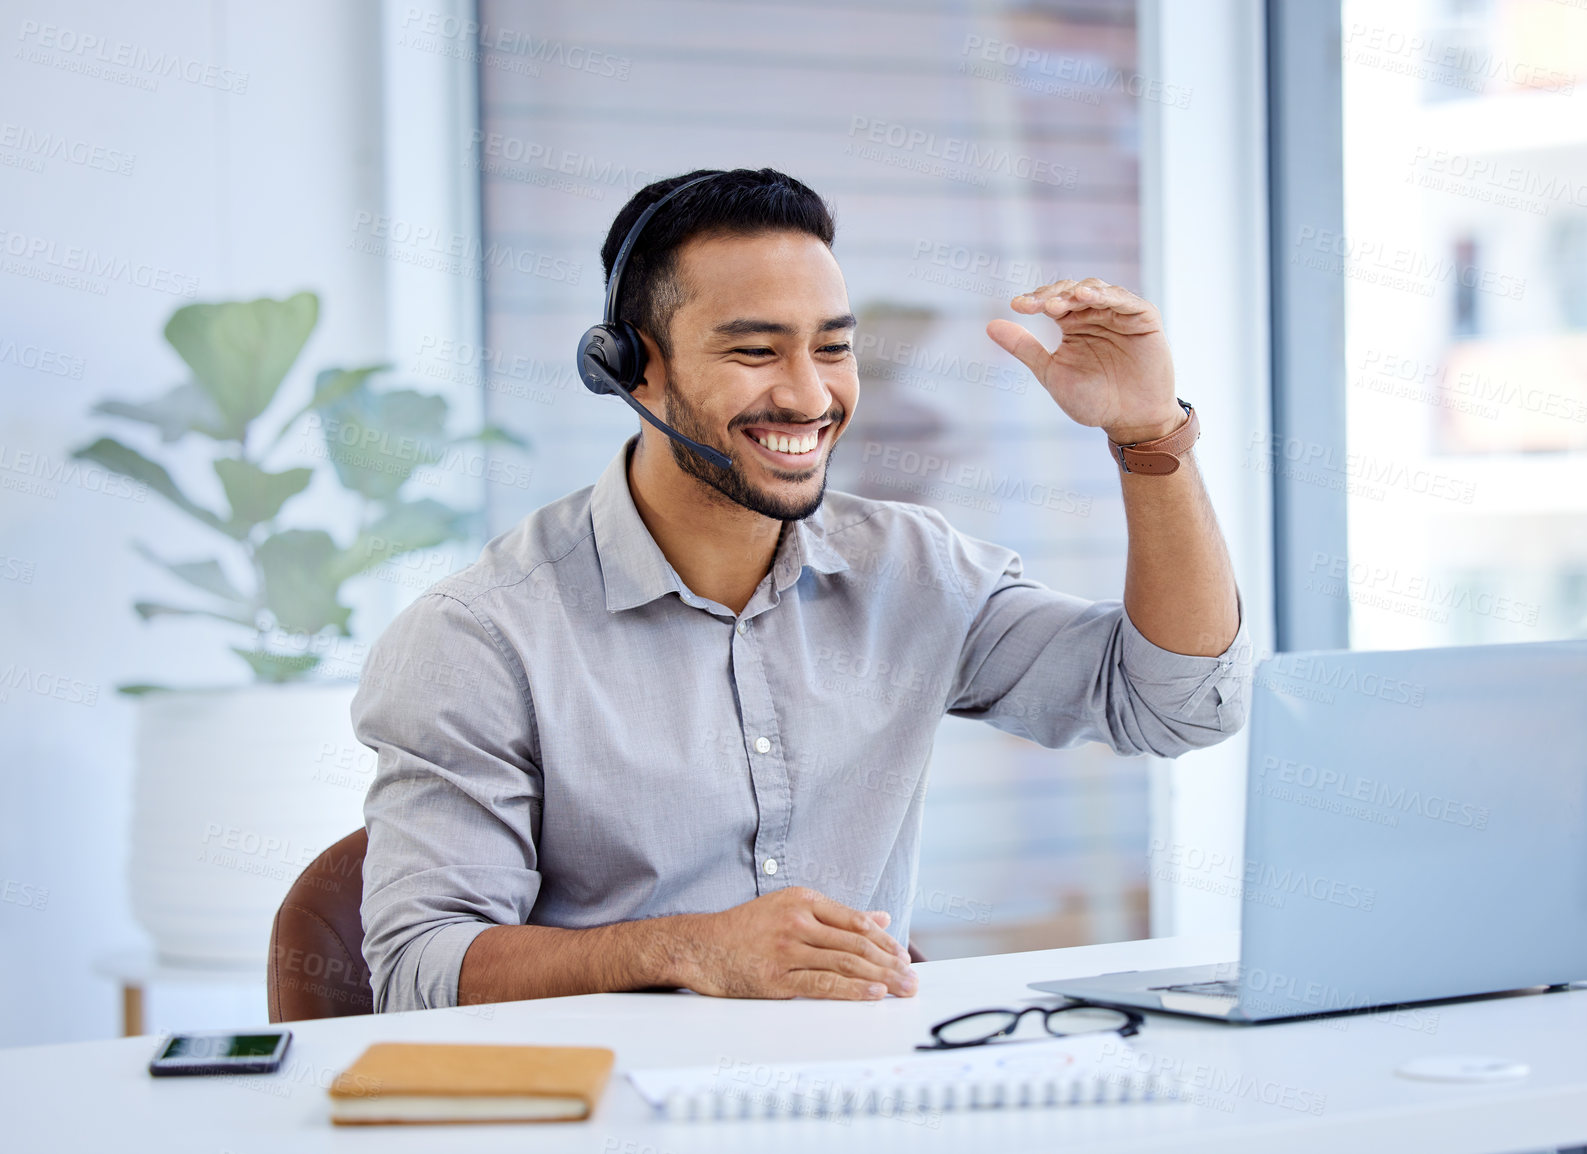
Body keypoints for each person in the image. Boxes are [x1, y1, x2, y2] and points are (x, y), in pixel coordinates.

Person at [354, 167, 1251, 1013]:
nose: (808, 394)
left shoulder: (913, 568)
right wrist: (685, 948)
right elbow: (418, 966)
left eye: (832, 349)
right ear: (632, 367)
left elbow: (1178, 706)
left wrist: (1147, 435)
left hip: (858, 1095)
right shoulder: (481, 638)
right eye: (754, 351)